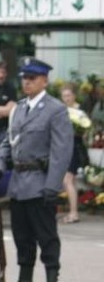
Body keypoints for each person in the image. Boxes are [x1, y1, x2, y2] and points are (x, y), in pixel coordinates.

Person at [0, 57, 73, 282]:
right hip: (18, 184)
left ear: (44, 81)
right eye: (24, 78)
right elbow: (8, 142)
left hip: (40, 182)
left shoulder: (55, 109)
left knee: (47, 237)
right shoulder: (18, 108)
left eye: (32, 78)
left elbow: (62, 151)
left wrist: (53, 184)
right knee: (22, 237)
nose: (26, 82)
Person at [60, 84, 90, 224]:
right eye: (64, 96)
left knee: (67, 179)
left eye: (68, 95)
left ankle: (74, 213)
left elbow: (84, 132)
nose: (66, 98)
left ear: (74, 96)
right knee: (71, 181)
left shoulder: (79, 112)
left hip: (75, 148)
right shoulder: (62, 110)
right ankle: (73, 211)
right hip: (65, 147)